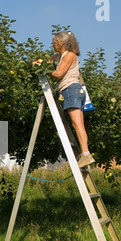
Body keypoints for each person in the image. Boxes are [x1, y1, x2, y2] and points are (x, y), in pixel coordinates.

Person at [35, 31, 96, 168]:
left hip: (71, 90)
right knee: (77, 123)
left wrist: (44, 70)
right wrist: (38, 62)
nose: (52, 45)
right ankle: (85, 153)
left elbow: (58, 74)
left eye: (54, 42)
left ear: (61, 42)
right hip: (72, 91)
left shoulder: (69, 55)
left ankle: (86, 154)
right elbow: (45, 62)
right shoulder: (59, 56)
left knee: (77, 124)